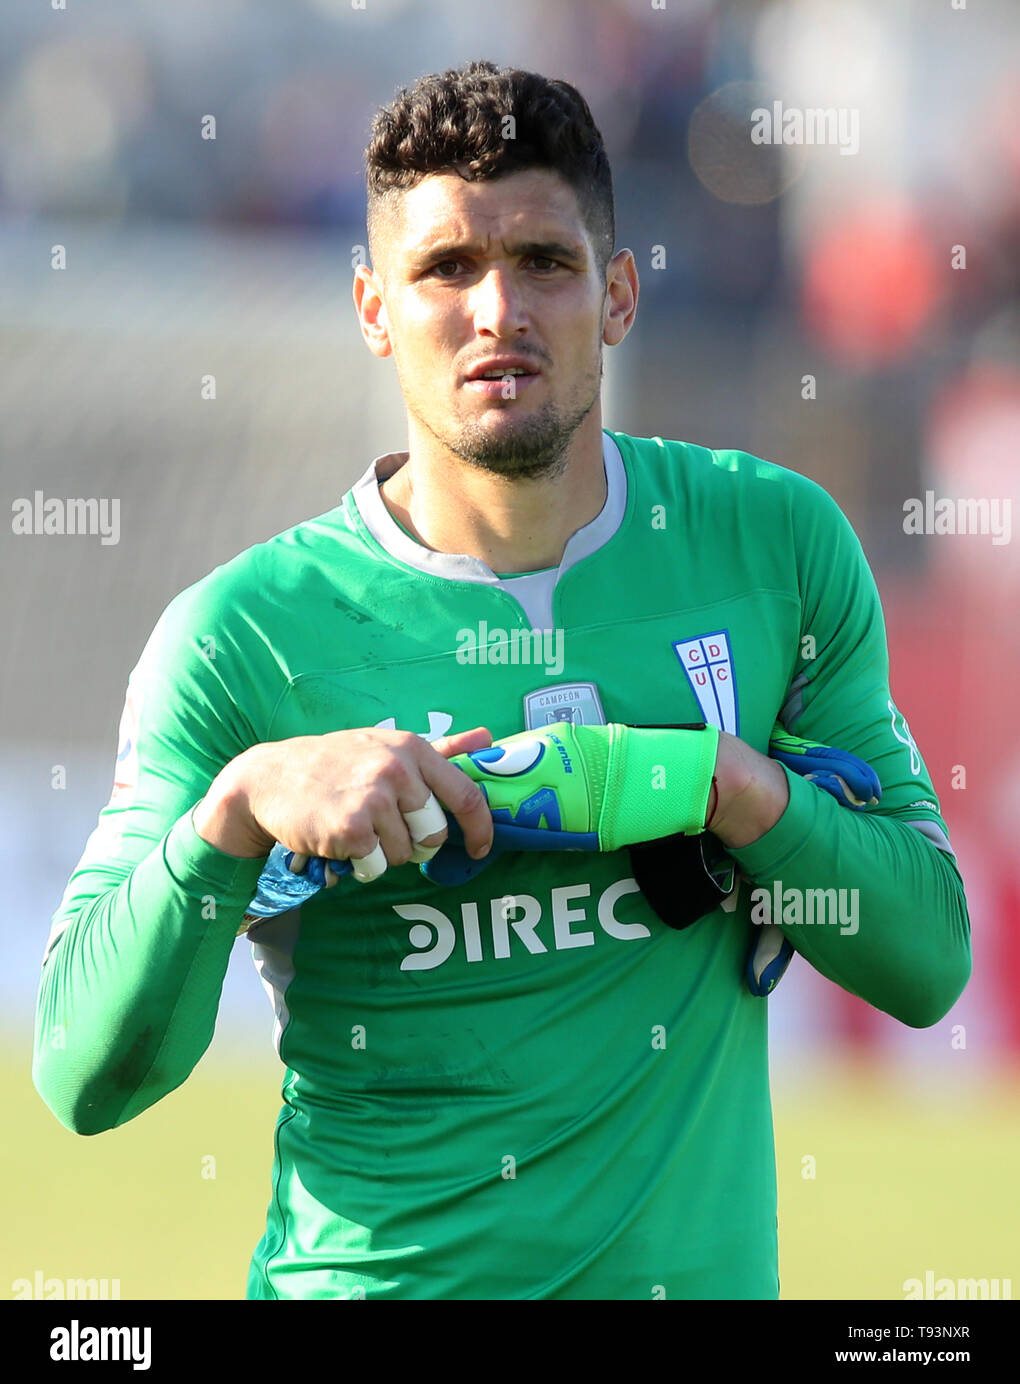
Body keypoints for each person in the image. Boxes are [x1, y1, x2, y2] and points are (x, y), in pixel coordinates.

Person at [33, 61, 970, 1300]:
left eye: (543, 261)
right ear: (373, 307)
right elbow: (83, 1075)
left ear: (619, 292)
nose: (496, 311)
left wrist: (724, 788)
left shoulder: (774, 549)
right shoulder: (238, 635)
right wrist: (237, 812)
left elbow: (927, 960)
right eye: (445, 270)